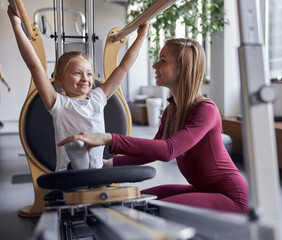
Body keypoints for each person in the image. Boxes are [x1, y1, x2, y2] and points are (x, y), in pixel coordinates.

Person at [58, 38, 248, 214]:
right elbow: (152, 151)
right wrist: (108, 164)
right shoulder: (172, 110)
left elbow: (168, 150)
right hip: (202, 190)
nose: (155, 65)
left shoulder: (206, 110)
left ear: (183, 68)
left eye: (163, 60)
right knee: (131, 201)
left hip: (231, 198)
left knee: (146, 209)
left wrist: (108, 138)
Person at [8, 6, 148, 171]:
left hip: (95, 171)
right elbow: (35, 67)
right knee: (76, 160)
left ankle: (82, 158)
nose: (85, 79)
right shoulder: (58, 104)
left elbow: (123, 67)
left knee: (92, 168)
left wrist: (141, 36)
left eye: (89, 74)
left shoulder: (98, 98)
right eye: (77, 73)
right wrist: (16, 25)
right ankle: (77, 158)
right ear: (59, 79)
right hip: (68, 175)